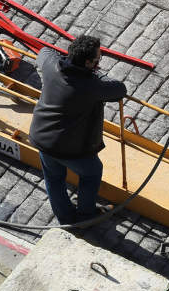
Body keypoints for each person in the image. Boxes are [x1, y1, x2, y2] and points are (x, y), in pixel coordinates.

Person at [29, 35, 126, 225]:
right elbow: (120, 89)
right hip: (68, 147)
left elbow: (43, 52)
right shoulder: (91, 85)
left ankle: (65, 218)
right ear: (89, 63)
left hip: (42, 137)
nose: (99, 62)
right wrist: (98, 76)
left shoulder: (52, 65)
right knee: (91, 172)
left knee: (54, 178)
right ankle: (86, 215)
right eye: (98, 59)